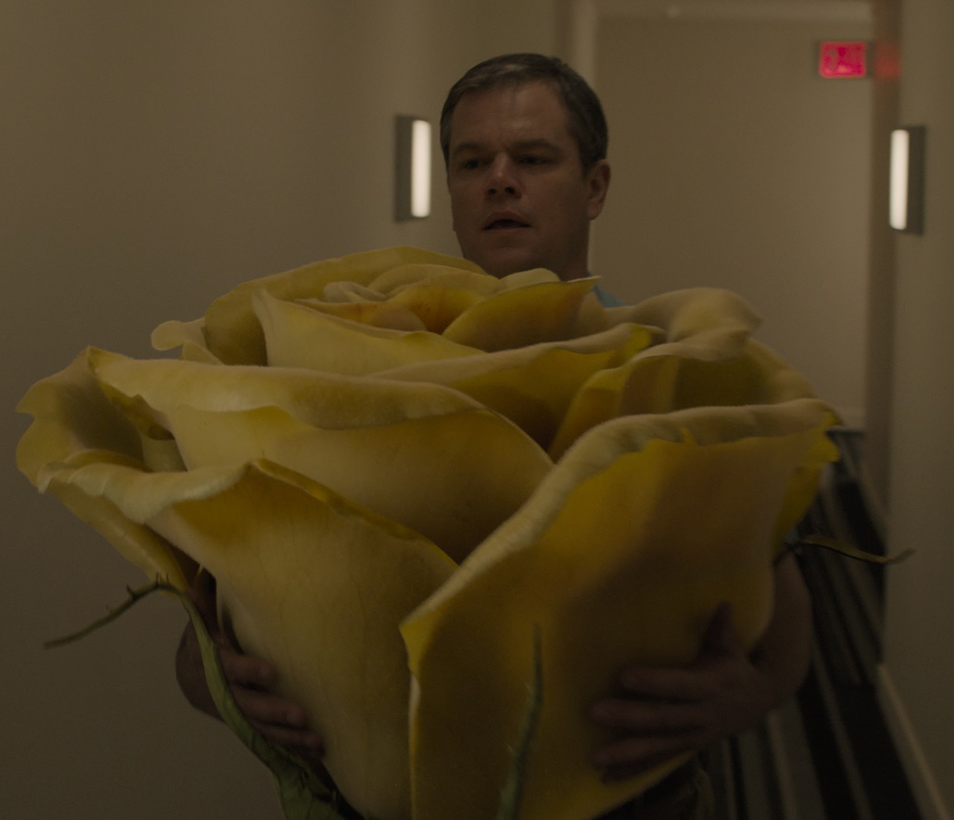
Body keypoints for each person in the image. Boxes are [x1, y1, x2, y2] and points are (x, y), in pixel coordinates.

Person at [173, 53, 814, 819]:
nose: (499, 180)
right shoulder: (356, 368)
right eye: (473, 162)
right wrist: (223, 681)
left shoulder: (664, 369)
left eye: (534, 159)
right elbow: (199, 633)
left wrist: (750, 697)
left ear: (596, 187)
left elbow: (780, 597)